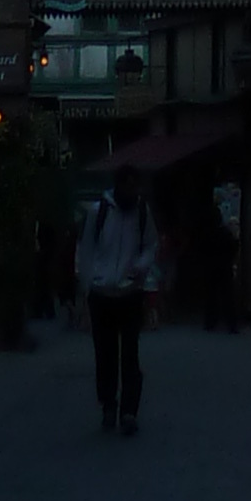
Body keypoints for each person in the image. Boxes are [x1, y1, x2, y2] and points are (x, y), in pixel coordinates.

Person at [78, 171, 160, 436]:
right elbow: (87, 249)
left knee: (130, 354)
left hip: (129, 292)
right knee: (105, 354)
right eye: (129, 191)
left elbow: (151, 244)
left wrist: (141, 267)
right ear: (118, 189)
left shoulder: (142, 213)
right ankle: (109, 405)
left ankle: (128, 411)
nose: (132, 197)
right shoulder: (98, 212)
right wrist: (86, 287)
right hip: (101, 292)